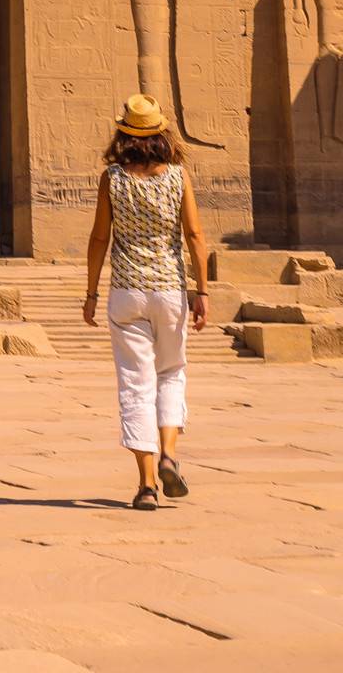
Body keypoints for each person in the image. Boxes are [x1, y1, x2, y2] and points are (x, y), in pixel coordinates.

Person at [82, 93, 209, 510]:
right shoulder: (178, 176)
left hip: (126, 291)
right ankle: (170, 453)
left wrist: (90, 292)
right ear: (160, 134)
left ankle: (147, 484)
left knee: (136, 384)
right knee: (171, 372)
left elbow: (100, 238)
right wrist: (202, 290)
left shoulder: (113, 179)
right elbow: (194, 236)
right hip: (170, 289)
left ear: (125, 135)